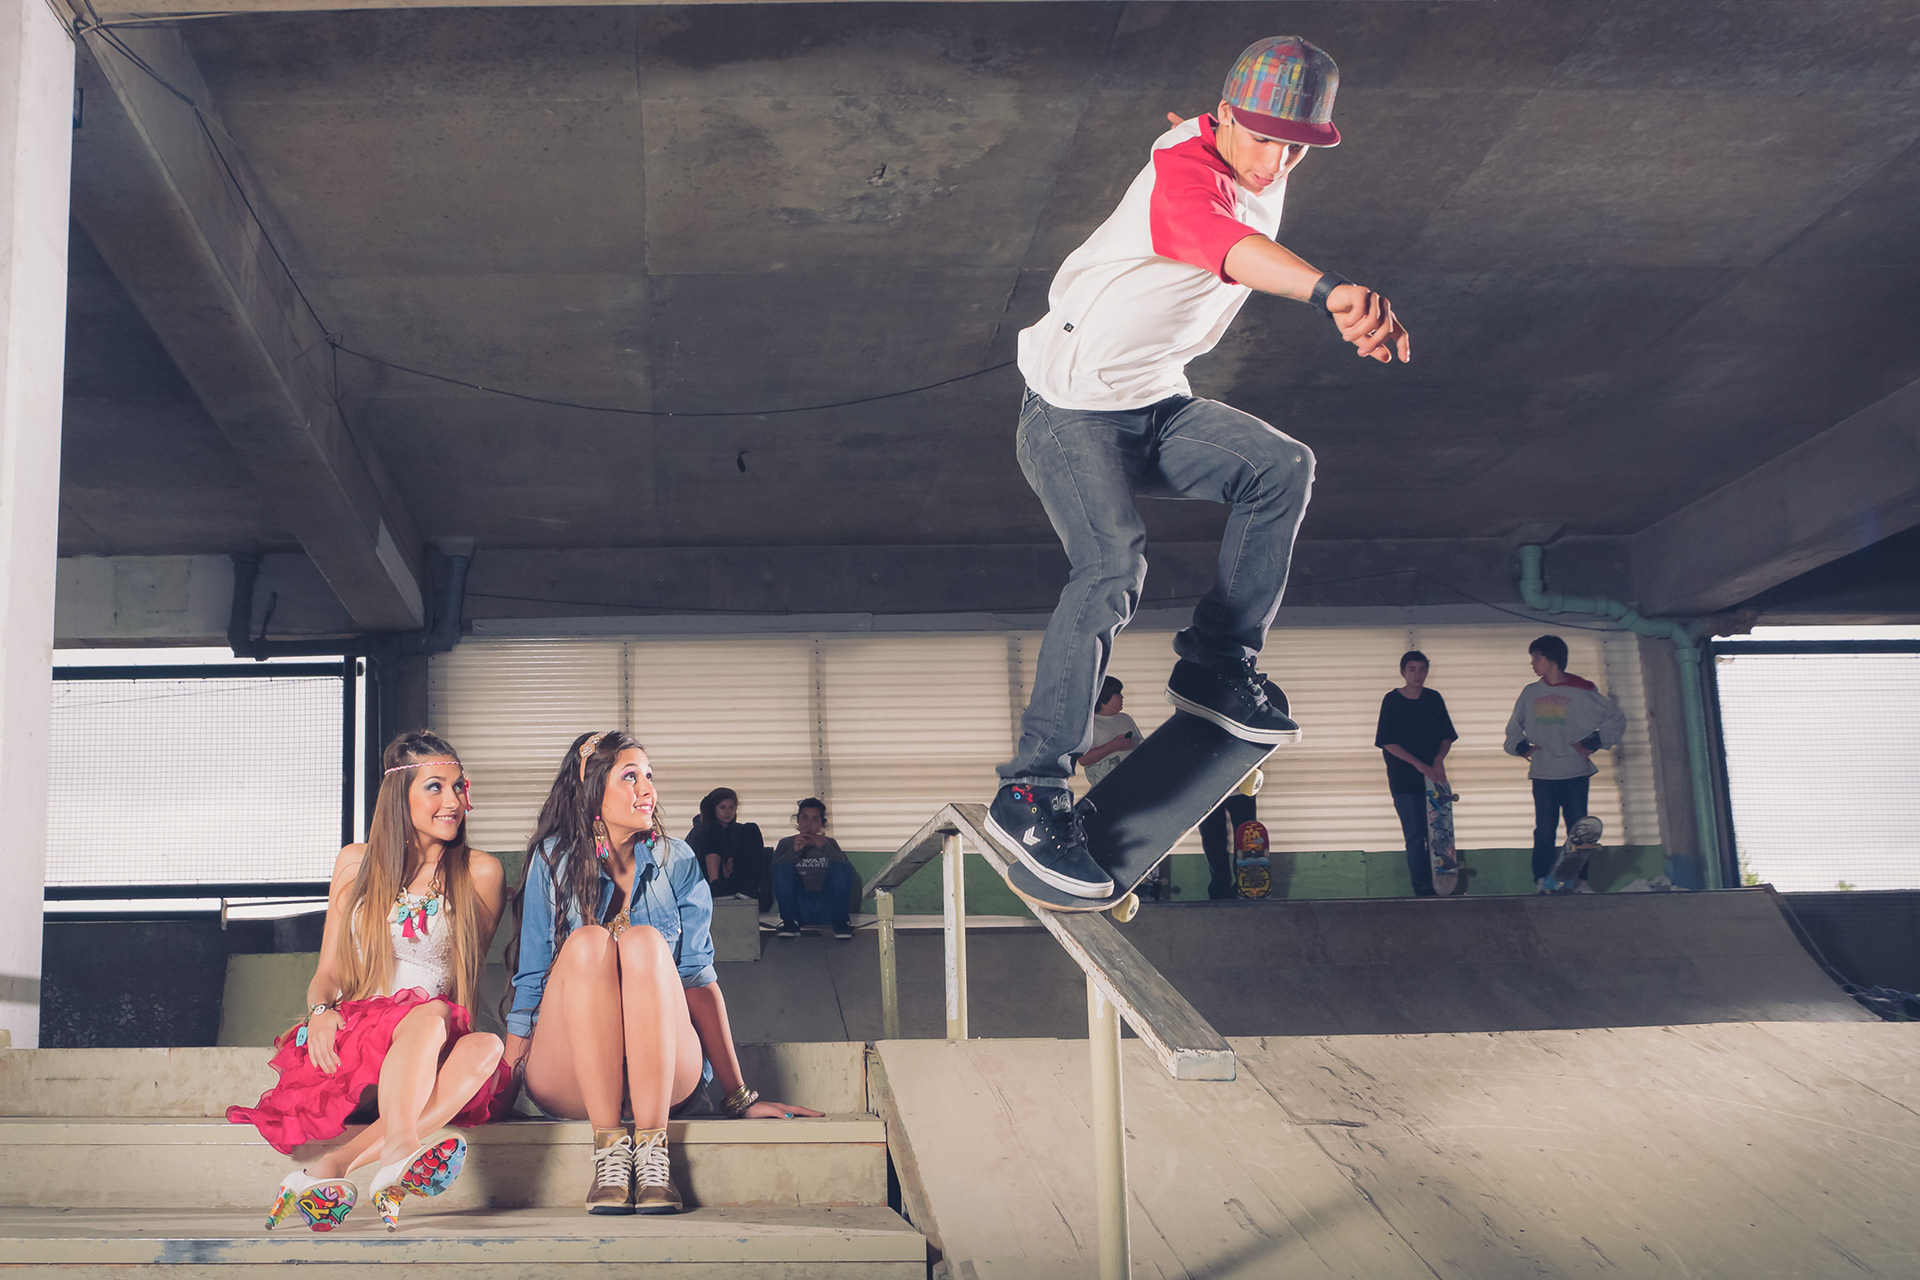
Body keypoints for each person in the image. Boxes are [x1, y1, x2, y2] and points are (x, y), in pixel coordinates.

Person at [988, 35, 1412, 898]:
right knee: (1112, 564)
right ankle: (1031, 791)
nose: (1277, 162)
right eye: (1261, 141)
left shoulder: (1243, 148)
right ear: (1222, 121)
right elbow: (1211, 234)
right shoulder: (1185, 184)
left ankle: (1218, 660)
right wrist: (1332, 292)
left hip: (1153, 404)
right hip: (1070, 414)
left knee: (1279, 467)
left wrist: (1224, 135)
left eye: (1295, 146)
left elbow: (1230, 155)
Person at [502, 731, 820, 1216]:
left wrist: (738, 1096)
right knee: (588, 942)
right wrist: (500, 1092)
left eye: (649, 776)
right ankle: (609, 1151)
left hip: (666, 1078)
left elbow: (697, 979)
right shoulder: (553, 859)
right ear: (591, 790)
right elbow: (531, 982)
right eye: (630, 777)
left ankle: (652, 1153)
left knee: (645, 942)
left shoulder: (678, 861)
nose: (647, 790)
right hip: (573, 1077)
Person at [230, 730, 510, 1233]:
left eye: (458, 786)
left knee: (484, 1041)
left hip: (430, 1040)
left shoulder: (481, 871)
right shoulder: (355, 862)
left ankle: (334, 1167)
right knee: (431, 1013)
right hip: (359, 1041)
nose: (452, 801)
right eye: (435, 787)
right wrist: (319, 1014)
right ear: (399, 795)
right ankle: (400, 1149)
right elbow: (328, 975)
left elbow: (463, 981)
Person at [1503, 636, 1626, 892]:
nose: (1533, 664)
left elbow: (1615, 719)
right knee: (1544, 830)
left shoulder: (1582, 690)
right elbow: (1513, 732)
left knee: (1579, 831)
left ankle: (1579, 880)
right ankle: (1541, 880)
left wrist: (1594, 741)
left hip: (1575, 773)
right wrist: (1522, 747)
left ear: (1552, 660)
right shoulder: (1530, 693)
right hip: (1544, 773)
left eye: (1537, 657)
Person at [1374, 650, 1459, 897]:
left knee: (1439, 833)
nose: (1418, 675)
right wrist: (1419, 765)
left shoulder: (1433, 699)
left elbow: (1447, 735)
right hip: (1404, 780)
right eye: (1412, 669)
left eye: (1422, 669)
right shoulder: (1392, 700)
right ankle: (1421, 886)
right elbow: (1387, 741)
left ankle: (1443, 881)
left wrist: (1437, 761)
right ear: (1403, 671)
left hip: (1434, 778)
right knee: (1415, 835)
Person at [770, 797, 856, 940]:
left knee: (841, 866)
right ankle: (790, 923)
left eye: (815, 819)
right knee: (781, 867)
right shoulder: (786, 843)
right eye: (804, 818)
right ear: (797, 820)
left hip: (826, 904)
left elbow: (844, 873)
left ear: (821, 823)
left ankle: (840, 922)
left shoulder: (829, 843)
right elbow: (775, 874)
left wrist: (826, 847)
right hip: (799, 905)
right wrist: (794, 851)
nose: (808, 824)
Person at [687, 787, 768, 907]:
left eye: (731, 807)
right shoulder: (699, 831)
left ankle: (750, 887)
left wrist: (732, 858)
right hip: (706, 880)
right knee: (715, 828)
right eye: (722, 807)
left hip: (735, 880)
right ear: (713, 808)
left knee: (752, 827)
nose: (727, 812)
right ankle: (715, 886)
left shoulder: (741, 831)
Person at [1079, 677, 1141, 788]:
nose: (1122, 697)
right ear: (1104, 696)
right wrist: (1112, 746)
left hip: (1134, 784)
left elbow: (1142, 745)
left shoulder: (1125, 719)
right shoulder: (1089, 725)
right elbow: (1083, 759)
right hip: (1106, 790)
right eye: (1118, 693)